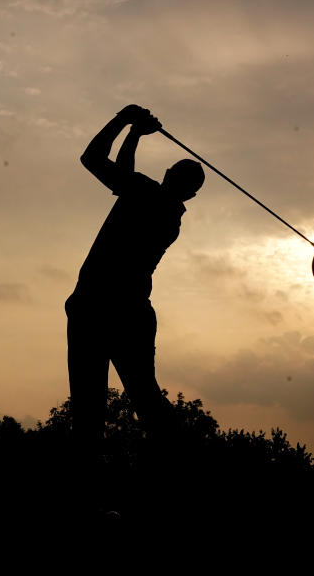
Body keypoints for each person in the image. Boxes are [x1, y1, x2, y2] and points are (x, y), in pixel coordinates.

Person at [65, 104, 205, 476]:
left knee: (89, 407)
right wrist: (134, 134)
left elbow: (93, 158)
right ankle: (182, 471)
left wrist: (124, 121)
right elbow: (124, 175)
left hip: (96, 308)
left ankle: (89, 486)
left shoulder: (144, 193)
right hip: (131, 312)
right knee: (147, 401)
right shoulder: (166, 212)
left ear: (168, 176)